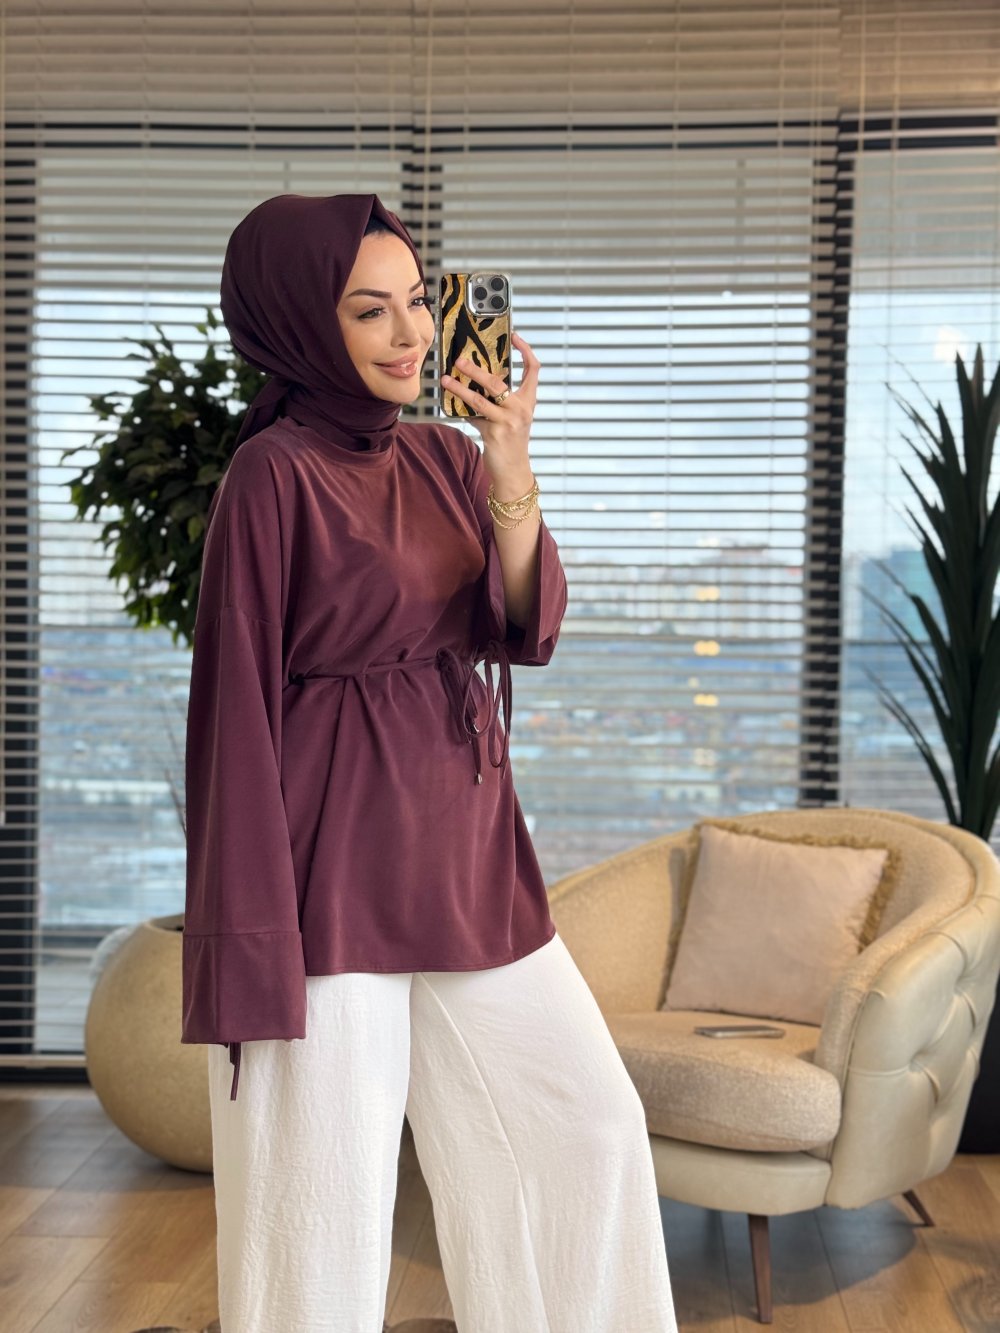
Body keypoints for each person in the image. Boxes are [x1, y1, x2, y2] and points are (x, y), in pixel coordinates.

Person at [181, 192, 679, 1333]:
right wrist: (248, 941)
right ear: (300, 322)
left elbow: (523, 625)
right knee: (324, 1188)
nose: (410, 334)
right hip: (329, 872)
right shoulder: (272, 475)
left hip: (464, 853)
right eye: (370, 311)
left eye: (417, 301)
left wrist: (509, 457)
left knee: (583, 1127)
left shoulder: (448, 457)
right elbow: (234, 711)